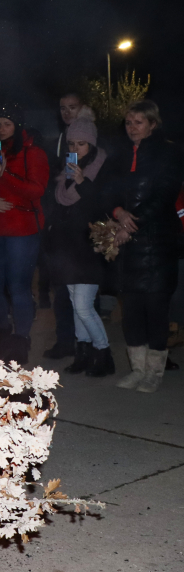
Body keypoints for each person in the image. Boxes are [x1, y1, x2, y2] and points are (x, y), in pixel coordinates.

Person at [102, 101, 184, 393]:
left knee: (155, 309)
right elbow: (106, 190)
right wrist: (118, 213)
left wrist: (128, 225)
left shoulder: (170, 152)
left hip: (157, 242)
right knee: (132, 309)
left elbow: (163, 196)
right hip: (127, 245)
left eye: (138, 122)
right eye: (128, 122)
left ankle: (153, 372)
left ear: (152, 124)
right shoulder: (119, 155)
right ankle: (137, 369)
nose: (132, 128)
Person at [0, 104, 48, 365]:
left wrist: (6, 174)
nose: (2, 129)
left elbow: (36, 191)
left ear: (18, 127)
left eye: (7, 124)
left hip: (21, 230)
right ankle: (0, 334)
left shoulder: (32, 154)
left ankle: (20, 339)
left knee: (18, 287)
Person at [44, 119, 112, 376]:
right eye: (72, 143)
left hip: (89, 244)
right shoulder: (66, 171)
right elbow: (60, 205)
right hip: (67, 244)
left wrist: (83, 181)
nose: (76, 147)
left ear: (92, 144)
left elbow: (102, 203)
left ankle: (103, 353)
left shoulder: (102, 166)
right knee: (75, 303)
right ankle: (83, 353)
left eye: (81, 143)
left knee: (84, 305)